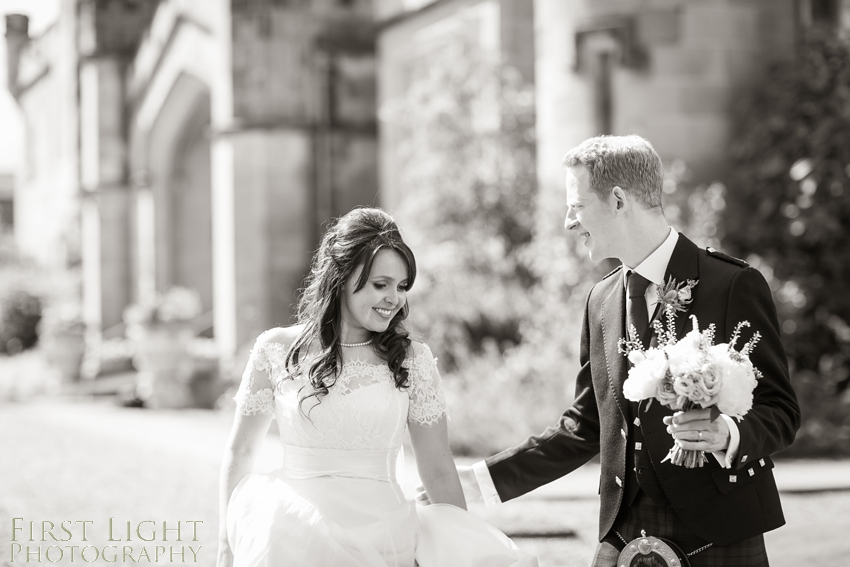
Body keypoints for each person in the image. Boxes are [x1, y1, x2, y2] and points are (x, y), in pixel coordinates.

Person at [425, 135, 800, 567]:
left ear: (619, 200)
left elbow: (781, 410)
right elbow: (585, 425)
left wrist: (728, 435)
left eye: (577, 206)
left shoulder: (732, 285)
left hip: (719, 535)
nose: (569, 221)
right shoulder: (601, 301)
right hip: (622, 535)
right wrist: (473, 483)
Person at [217, 207, 537, 567]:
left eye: (401, 287)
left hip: (386, 538)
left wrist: (459, 548)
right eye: (380, 284)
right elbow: (241, 453)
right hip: (292, 536)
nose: (394, 299)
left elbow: (437, 468)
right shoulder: (276, 349)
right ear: (341, 276)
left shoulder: (411, 359)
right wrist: (227, 543)